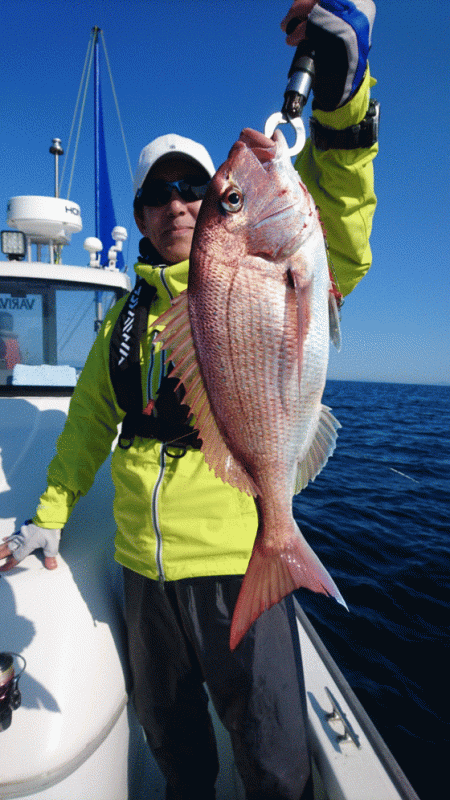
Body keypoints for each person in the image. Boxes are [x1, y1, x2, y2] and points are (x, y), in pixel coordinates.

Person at [0, 2, 378, 798]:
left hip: (240, 559)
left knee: (275, 755)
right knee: (173, 745)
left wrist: (344, 105)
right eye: (159, 193)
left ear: (211, 208)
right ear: (140, 216)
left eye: (197, 190)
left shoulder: (273, 265)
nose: (177, 202)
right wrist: (51, 514)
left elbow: (339, 223)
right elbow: (88, 426)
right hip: (143, 572)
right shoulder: (124, 324)